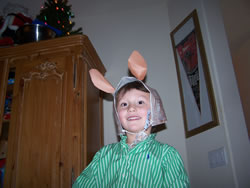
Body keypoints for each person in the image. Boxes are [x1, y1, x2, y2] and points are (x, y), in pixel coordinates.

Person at [72, 51, 190, 187]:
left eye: (140, 102)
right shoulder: (103, 155)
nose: (131, 108)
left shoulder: (167, 155)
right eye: (124, 104)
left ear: (155, 109)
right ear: (117, 115)